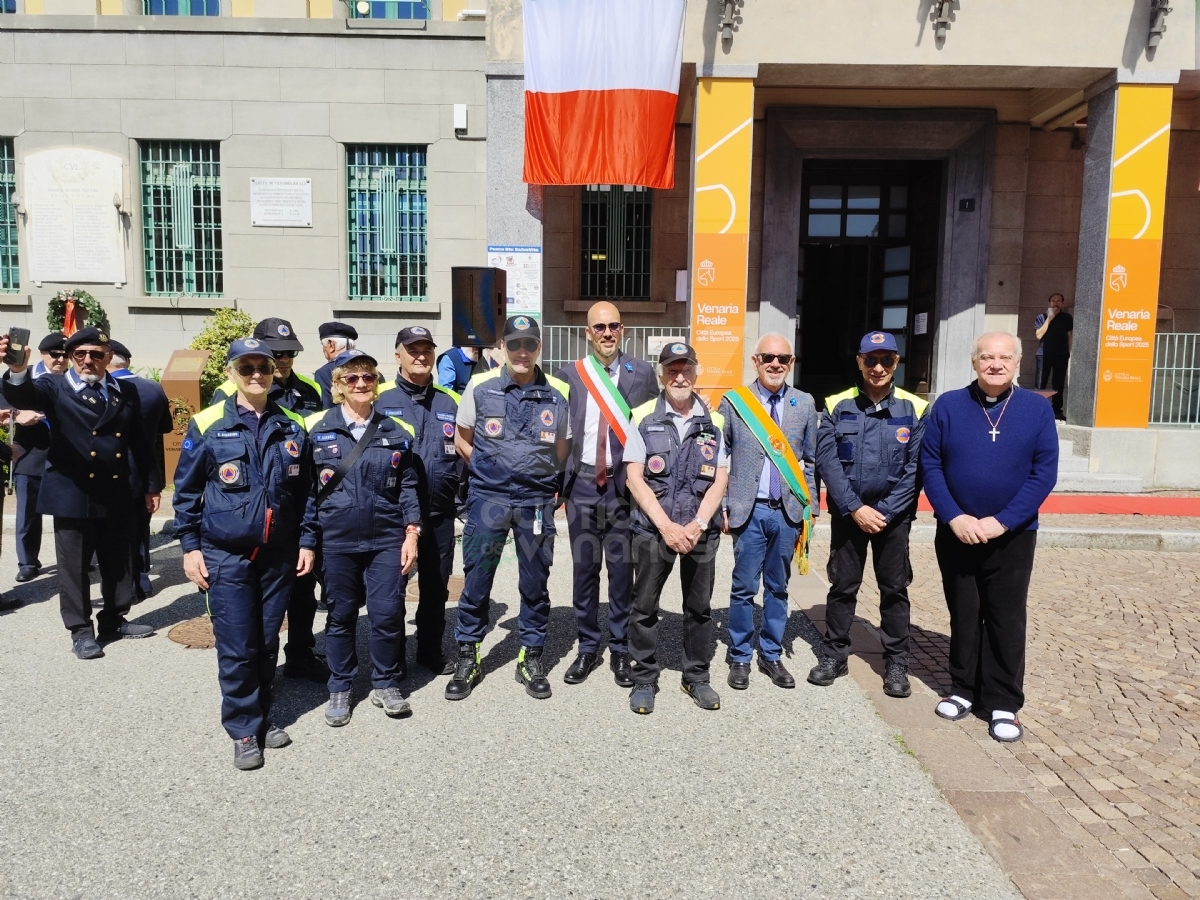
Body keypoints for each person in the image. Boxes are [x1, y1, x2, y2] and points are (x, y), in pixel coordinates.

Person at [173, 338, 317, 770]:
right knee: (237, 645)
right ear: (232, 372)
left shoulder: (293, 424)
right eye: (247, 367)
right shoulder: (208, 423)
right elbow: (187, 493)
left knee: (266, 639)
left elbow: (306, 492)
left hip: (278, 553)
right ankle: (241, 729)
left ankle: (262, 716)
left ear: (275, 373)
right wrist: (189, 548)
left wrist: (307, 540)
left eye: (264, 368)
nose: (257, 375)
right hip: (225, 553)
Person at [920, 332, 1058, 743]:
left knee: (1005, 617)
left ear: (1017, 363)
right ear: (974, 361)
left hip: (1012, 535)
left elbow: (1043, 472)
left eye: (1004, 358)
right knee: (964, 613)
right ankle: (964, 690)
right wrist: (954, 516)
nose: (995, 364)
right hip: (957, 532)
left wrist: (1003, 521)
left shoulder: (1036, 409)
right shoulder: (948, 405)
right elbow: (931, 465)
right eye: (986, 357)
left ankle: (1003, 702)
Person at [0, 327, 159, 660]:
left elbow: (140, 442)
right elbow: (24, 397)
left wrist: (150, 484)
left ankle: (114, 620)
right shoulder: (54, 386)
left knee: (119, 561)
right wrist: (17, 370)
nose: (88, 360)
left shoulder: (124, 389)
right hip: (72, 491)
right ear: (71, 357)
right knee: (74, 567)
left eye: (96, 354)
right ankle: (81, 631)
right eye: (80, 354)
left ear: (107, 358)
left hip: (115, 487)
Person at [447, 315, 571, 701]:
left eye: (529, 345)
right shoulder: (480, 386)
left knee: (534, 582)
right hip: (489, 501)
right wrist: (490, 473)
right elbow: (463, 439)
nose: (522, 352)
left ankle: (529, 656)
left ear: (539, 348)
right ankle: (469, 654)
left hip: (535, 503)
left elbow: (563, 448)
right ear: (502, 348)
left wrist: (546, 482)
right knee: (477, 579)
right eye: (514, 344)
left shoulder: (556, 393)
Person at [303, 349, 421, 727]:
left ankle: (385, 682)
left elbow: (408, 486)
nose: (360, 384)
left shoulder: (395, 431)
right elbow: (306, 492)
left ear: (376, 383)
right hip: (336, 542)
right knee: (340, 616)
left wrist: (412, 533)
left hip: (386, 538)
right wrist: (307, 540)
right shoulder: (315, 428)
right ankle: (340, 686)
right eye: (351, 378)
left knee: (387, 615)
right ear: (337, 386)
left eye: (368, 378)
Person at [810, 331, 927, 698]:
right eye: (870, 360)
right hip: (850, 514)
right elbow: (827, 462)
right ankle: (834, 655)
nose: (878, 368)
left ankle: (895, 661)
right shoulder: (836, 404)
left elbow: (917, 469)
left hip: (894, 518)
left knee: (895, 590)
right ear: (858, 362)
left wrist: (885, 512)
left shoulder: (916, 408)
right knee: (843, 587)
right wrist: (856, 508)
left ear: (897, 363)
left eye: (886, 360)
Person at [213, 318, 328, 682]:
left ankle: (300, 653)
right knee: (255, 609)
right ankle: (258, 673)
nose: (282, 361)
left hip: (298, 501)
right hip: (249, 516)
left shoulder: (309, 389)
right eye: (274, 354)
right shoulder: (231, 389)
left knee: (304, 589)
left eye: (288, 353)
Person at [622, 343, 729, 715]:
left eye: (686, 369)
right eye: (671, 369)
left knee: (699, 608)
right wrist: (667, 526)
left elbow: (720, 478)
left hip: (701, 532)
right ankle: (644, 679)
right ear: (661, 374)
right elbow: (634, 477)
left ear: (696, 373)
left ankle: (696, 677)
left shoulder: (713, 422)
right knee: (645, 606)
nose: (679, 376)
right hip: (654, 530)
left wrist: (699, 525)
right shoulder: (641, 416)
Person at [555, 301, 657, 687]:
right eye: (599, 327)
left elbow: (650, 426)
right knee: (584, 571)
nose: (607, 333)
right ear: (588, 333)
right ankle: (586, 646)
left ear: (623, 329)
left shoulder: (642, 372)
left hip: (621, 488)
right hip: (581, 485)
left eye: (614, 326)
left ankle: (618, 648)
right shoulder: (569, 375)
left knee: (620, 572)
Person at [719, 333, 818, 691]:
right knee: (743, 588)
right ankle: (741, 655)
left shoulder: (804, 403)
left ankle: (771, 653)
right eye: (768, 357)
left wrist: (812, 507)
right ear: (755, 361)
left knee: (778, 587)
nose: (775, 363)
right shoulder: (734, 403)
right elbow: (719, 460)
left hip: (788, 512)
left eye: (783, 358)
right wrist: (724, 506)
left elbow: (810, 460)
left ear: (791, 363)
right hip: (749, 511)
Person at [376, 326, 464, 675]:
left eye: (427, 349)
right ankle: (393, 656)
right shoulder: (380, 399)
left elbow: (462, 453)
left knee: (435, 587)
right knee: (392, 589)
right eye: (412, 350)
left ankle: (429, 650)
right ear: (397, 355)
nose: (420, 356)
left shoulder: (448, 401)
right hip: (394, 516)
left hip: (440, 513)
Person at [107, 340, 173, 600]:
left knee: (117, 531)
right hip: (145, 470)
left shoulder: (111, 389)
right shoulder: (153, 387)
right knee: (140, 526)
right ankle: (142, 578)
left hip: (114, 469)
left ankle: (127, 585)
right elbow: (166, 427)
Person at [9, 333, 67, 583]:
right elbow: (4, 400)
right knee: (28, 515)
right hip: (31, 455)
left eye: (65, 355)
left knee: (68, 514)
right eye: (55, 354)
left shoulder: (73, 379)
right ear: (42, 354)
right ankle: (28, 562)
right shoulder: (23, 376)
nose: (61, 359)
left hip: (64, 457)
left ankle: (74, 560)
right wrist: (18, 412)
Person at [1034, 293, 1072, 421]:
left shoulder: (1067, 318)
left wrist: (1069, 352)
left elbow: (1069, 336)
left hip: (1061, 355)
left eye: (1058, 301)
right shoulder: (1041, 317)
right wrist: (1049, 319)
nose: (1056, 303)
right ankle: (1038, 410)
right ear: (1049, 303)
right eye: (1053, 301)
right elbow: (1039, 335)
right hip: (1043, 355)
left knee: (1058, 384)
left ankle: (1057, 411)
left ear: (1063, 303)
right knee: (1040, 384)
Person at [314, 322, 358, 408]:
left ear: (331, 345)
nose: (323, 350)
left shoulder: (324, 373)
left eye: (323, 345)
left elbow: (326, 409)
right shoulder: (371, 369)